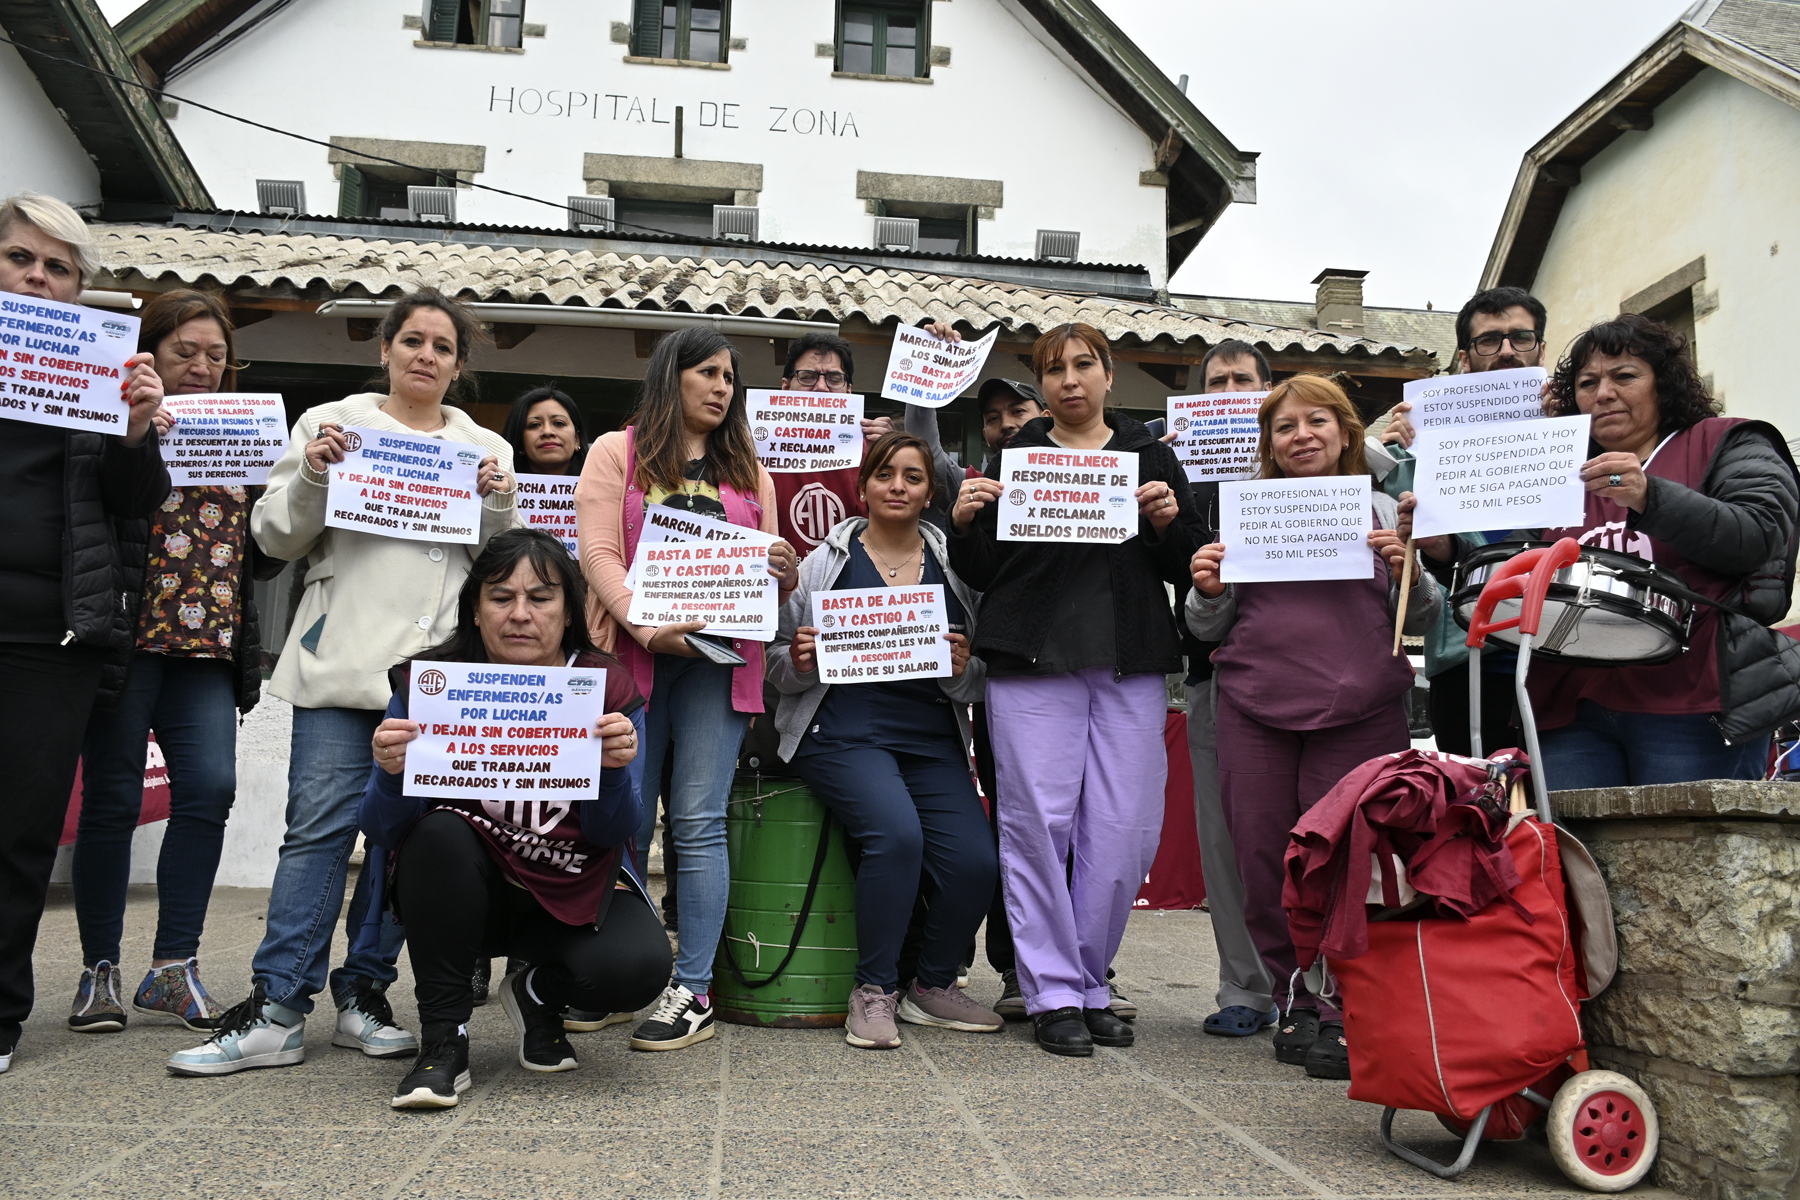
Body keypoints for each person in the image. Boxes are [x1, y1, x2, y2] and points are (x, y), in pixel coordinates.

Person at [169, 288, 520, 1076]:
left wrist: (498, 499)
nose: (426, 355)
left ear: (459, 366)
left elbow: (495, 562)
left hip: (432, 680)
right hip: (341, 666)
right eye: (413, 341)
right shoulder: (333, 424)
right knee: (317, 834)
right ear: (386, 350)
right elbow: (273, 534)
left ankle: (364, 995)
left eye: (442, 346)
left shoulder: (483, 446)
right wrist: (319, 475)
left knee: (405, 847)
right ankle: (278, 1004)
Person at [1405, 313, 1799, 788]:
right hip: (1570, 709)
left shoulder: (1728, 440)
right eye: (1588, 382)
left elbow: (1759, 537)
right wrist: (1447, 549)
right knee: (1579, 853)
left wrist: (1650, 496)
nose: (1603, 393)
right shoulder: (1561, 464)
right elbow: (1521, 558)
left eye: (1625, 376)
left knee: (1683, 852)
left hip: (1690, 703)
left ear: (1664, 383)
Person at [949, 322, 1201, 1058]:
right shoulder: (1014, 454)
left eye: (1083, 365)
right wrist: (965, 525)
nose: (1069, 379)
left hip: (1130, 661)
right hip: (1032, 663)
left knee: (1124, 831)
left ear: (1108, 375)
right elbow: (987, 568)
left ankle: (1093, 980)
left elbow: (1189, 561)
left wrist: (1165, 522)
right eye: (1053, 368)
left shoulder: (1151, 454)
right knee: (1037, 826)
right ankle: (1051, 988)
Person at [1186, 373, 1441, 1081]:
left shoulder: (1385, 508)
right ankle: (1293, 994)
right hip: (1255, 708)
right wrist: (1205, 590)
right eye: (1285, 426)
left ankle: (1344, 1006)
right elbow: (1207, 624)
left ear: (1346, 432)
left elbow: (1421, 619)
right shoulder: (1245, 515)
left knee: (1349, 864)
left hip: (1359, 713)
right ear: (1269, 443)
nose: (1301, 435)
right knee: (1263, 859)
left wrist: (1407, 574)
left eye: (1316, 421)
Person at [359, 528, 669, 1108]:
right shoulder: (429, 683)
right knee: (438, 835)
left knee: (639, 970)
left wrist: (610, 771)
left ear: (569, 612)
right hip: (461, 887)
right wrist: (391, 772)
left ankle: (537, 993)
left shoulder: (609, 689)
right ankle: (443, 1042)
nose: (520, 614)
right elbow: (381, 829)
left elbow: (612, 831)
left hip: (571, 883)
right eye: (501, 597)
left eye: (541, 598)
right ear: (475, 611)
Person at [575, 326, 800, 1052]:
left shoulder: (751, 469)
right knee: (625, 822)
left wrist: (780, 571)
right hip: (634, 660)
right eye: (708, 372)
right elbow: (600, 553)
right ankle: (619, 976)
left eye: (730, 377)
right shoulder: (618, 451)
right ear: (672, 376)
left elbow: (767, 566)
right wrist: (646, 629)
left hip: (718, 664)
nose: (722, 387)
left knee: (699, 823)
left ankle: (692, 988)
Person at [69, 290, 281, 1036]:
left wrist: (289, 485)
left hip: (206, 647)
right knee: (114, 802)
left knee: (211, 789)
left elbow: (263, 556)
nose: (200, 366)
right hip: (130, 638)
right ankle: (99, 970)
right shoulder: (113, 418)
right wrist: (135, 429)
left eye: (215, 355)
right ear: (148, 351)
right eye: (184, 350)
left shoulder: (243, 435)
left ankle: (173, 969)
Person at [0, 191, 168, 1074]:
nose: (37, 276)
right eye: (21, 258)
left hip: (50, 639)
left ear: (77, 291)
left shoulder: (102, 377)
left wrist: (136, 431)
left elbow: (137, 507)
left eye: (57, 267)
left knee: (22, 832)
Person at [768, 432, 1000, 1048]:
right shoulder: (822, 562)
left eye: (914, 477)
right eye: (885, 474)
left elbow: (980, 679)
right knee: (897, 837)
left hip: (931, 737)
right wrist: (800, 662)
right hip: (842, 731)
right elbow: (776, 667)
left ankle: (932, 985)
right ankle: (873, 991)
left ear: (930, 493)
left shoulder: (958, 568)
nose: (898, 486)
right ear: (863, 486)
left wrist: (961, 669)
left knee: (977, 861)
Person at [1371, 287, 1551, 756]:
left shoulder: (1577, 428)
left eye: (1522, 338)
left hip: (1561, 654)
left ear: (1541, 350)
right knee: (1475, 813)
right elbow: (1371, 519)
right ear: (1466, 359)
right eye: (1490, 341)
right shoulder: (1416, 443)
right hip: (1464, 658)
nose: (1508, 350)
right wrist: (1384, 452)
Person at [1175, 339, 1282, 1039]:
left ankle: (1320, 990)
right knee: (1226, 841)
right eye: (1217, 382)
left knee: (1306, 840)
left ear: (1270, 393)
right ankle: (1244, 987)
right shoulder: (1180, 474)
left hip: (1306, 676)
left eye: (1243, 381)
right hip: (1212, 672)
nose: (1229, 393)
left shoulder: (1310, 463)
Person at [502, 384, 589, 477]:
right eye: (534, 425)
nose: (547, 432)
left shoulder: (603, 487)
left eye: (559, 423)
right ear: (520, 441)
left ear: (577, 439)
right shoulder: (497, 488)